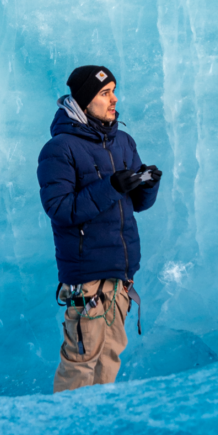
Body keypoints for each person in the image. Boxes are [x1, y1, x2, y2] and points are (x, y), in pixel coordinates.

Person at [36, 65, 161, 393]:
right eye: (105, 93)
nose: (114, 99)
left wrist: (147, 184)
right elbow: (61, 209)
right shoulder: (59, 149)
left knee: (108, 357)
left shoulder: (122, 142)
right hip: (87, 281)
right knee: (81, 361)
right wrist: (112, 185)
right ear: (84, 100)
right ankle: (64, 429)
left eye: (113, 91)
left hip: (120, 277)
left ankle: (93, 427)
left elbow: (138, 203)